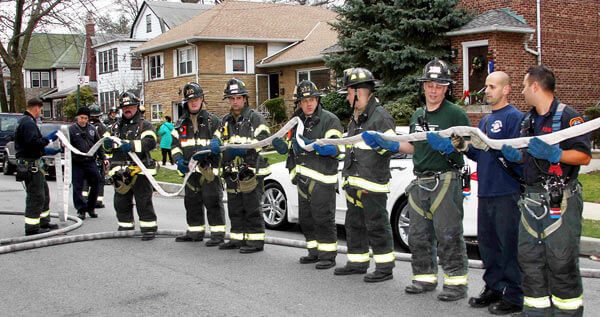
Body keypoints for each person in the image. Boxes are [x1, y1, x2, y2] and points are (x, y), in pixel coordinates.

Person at [366, 58, 471, 299]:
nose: (433, 89)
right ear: (423, 87)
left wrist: (448, 145)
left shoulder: (455, 114)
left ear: (446, 88)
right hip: (420, 181)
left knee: (448, 232)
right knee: (418, 234)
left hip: (446, 179)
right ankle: (424, 277)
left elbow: (468, 147)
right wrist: (387, 142)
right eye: (429, 85)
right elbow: (413, 147)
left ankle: (456, 283)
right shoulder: (417, 115)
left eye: (438, 85)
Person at [501, 65, 590, 316]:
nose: (522, 91)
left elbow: (583, 157)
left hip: (560, 201)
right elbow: (529, 159)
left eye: (524, 85)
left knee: (561, 262)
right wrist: (516, 157)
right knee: (529, 260)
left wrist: (557, 153)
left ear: (536, 86)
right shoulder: (527, 121)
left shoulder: (568, 118)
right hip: (531, 201)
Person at [456, 72, 524, 314]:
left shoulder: (516, 118)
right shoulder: (485, 122)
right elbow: (479, 154)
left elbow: (518, 157)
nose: (486, 90)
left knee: (509, 246)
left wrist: (494, 149)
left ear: (506, 90)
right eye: (486, 86)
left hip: (507, 192)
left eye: (492, 86)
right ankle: (494, 287)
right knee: (488, 246)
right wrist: (465, 147)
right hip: (486, 192)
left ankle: (515, 296)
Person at [334, 67, 396, 283]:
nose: (347, 98)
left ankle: (384, 267)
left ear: (360, 92)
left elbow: (392, 147)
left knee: (377, 225)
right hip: (354, 182)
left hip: (372, 184)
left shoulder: (380, 117)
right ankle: (357, 262)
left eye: (349, 93)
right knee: (354, 224)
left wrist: (379, 144)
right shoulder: (356, 117)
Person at [281, 80, 344, 269]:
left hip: (322, 180)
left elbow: (338, 147)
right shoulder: (296, 121)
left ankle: (327, 256)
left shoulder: (329, 120)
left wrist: (325, 148)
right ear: (299, 103)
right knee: (306, 219)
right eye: (304, 100)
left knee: (323, 218)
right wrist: (282, 146)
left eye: (312, 99)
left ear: (317, 100)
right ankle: (313, 251)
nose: (309, 104)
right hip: (302, 180)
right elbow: (290, 146)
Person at [212, 78, 270, 253]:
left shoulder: (255, 118)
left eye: (238, 98)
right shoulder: (225, 121)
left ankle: (255, 242)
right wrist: (214, 143)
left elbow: (265, 140)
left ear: (245, 98)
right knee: (235, 208)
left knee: (252, 207)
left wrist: (242, 150)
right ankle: (237, 238)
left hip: (251, 171)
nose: (235, 101)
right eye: (232, 98)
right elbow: (217, 137)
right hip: (232, 173)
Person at [171, 82, 226, 246]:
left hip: (208, 170)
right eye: (190, 100)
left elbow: (221, 138)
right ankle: (195, 232)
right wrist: (178, 159)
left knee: (213, 201)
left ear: (202, 99)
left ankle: (217, 235)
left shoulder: (213, 121)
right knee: (191, 202)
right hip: (190, 171)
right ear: (186, 103)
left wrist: (215, 145)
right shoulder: (180, 124)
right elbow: (175, 146)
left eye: (196, 99)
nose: (194, 102)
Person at [103, 92, 159, 241]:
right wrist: (106, 144)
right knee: (121, 202)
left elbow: (150, 142)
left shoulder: (144, 125)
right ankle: (125, 227)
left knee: (143, 201)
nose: (128, 109)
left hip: (140, 170)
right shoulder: (114, 127)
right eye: (124, 107)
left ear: (137, 107)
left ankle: (148, 229)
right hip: (120, 171)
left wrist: (132, 145)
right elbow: (104, 147)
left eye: (131, 106)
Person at [14, 98, 60, 235]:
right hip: (30, 166)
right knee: (36, 196)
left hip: (34, 163)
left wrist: (48, 151)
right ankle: (32, 227)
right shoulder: (28, 123)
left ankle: (44, 222)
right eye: (40, 109)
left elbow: (30, 146)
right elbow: (33, 143)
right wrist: (48, 140)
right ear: (36, 108)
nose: (40, 112)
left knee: (44, 194)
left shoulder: (26, 122)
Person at [69, 106, 104, 220]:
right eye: (81, 118)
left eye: (85, 118)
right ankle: (81, 209)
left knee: (97, 182)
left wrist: (104, 158)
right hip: (77, 162)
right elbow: (66, 145)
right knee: (78, 186)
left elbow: (98, 144)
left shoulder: (92, 129)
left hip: (90, 161)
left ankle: (91, 207)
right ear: (77, 117)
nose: (83, 120)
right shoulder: (71, 130)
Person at [83, 104, 109, 209]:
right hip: (98, 159)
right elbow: (107, 143)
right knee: (99, 180)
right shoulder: (102, 128)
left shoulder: (83, 126)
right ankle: (98, 201)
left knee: (85, 179)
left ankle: (84, 199)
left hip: (85, 159)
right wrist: (105, 158)